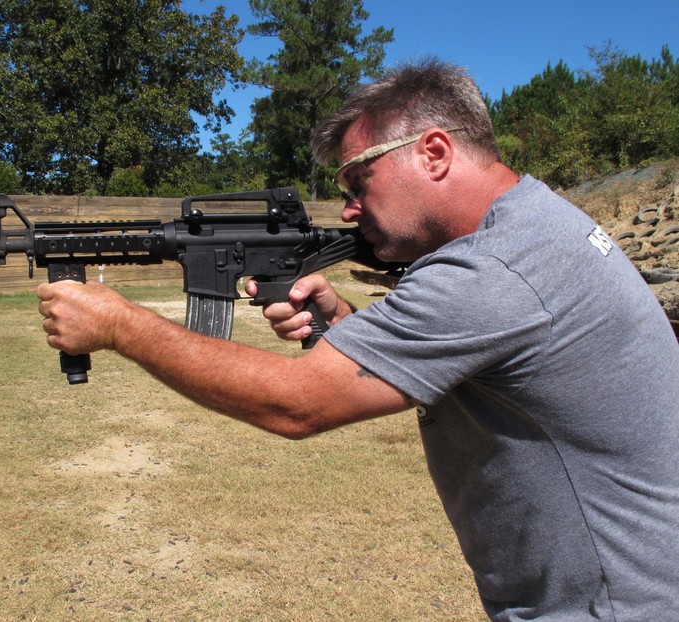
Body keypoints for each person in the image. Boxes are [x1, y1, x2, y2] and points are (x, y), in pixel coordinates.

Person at [37, 59, 679, 620]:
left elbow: (298, 403)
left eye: (357, 182)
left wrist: (121, 325)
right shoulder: (535, 226)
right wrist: (344, 322)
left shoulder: (496, 268)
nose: (347, 210)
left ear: (434, 152)